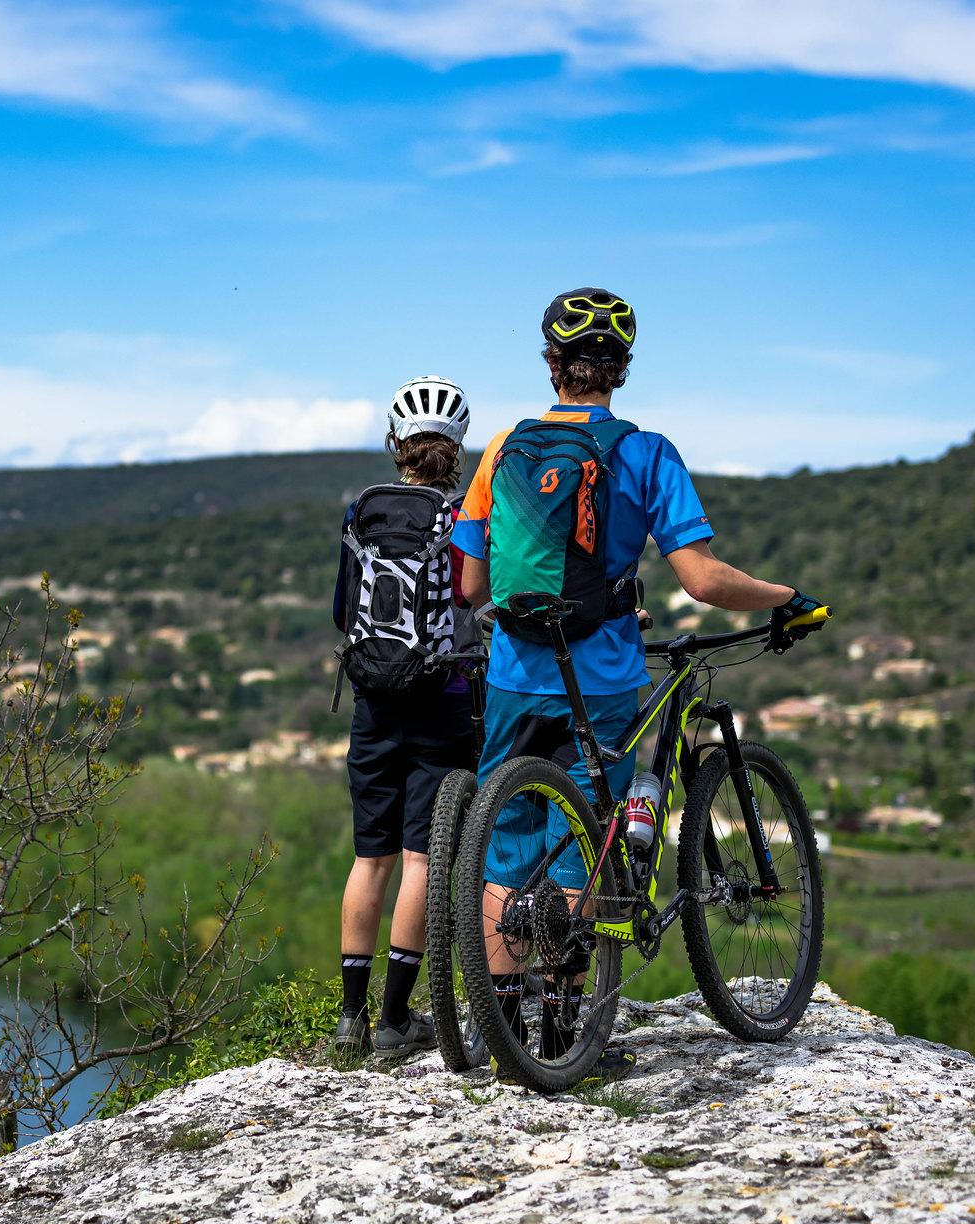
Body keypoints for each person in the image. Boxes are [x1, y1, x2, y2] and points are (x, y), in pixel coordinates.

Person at [452, 289, 826, 1069]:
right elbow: (703, 579)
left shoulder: (500, 449)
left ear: (551, 364)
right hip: (604, 674)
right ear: (619, 369)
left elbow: (469, 586)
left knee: (506, 842)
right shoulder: (647, 452)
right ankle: (561, 1037)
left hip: (518, 671)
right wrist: (785, 598)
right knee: (581, 840)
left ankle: (504, 1036)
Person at [330, 375, 477, 1059]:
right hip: (441, 702)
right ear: (457, 445)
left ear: (396, 445)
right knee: (421, 856)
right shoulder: (462, 518)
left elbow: (342, 611)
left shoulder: (363, 509)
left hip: (373, 702)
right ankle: (396, 1018)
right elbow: (477, 598)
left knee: (371, 858)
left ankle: (349, 1020)